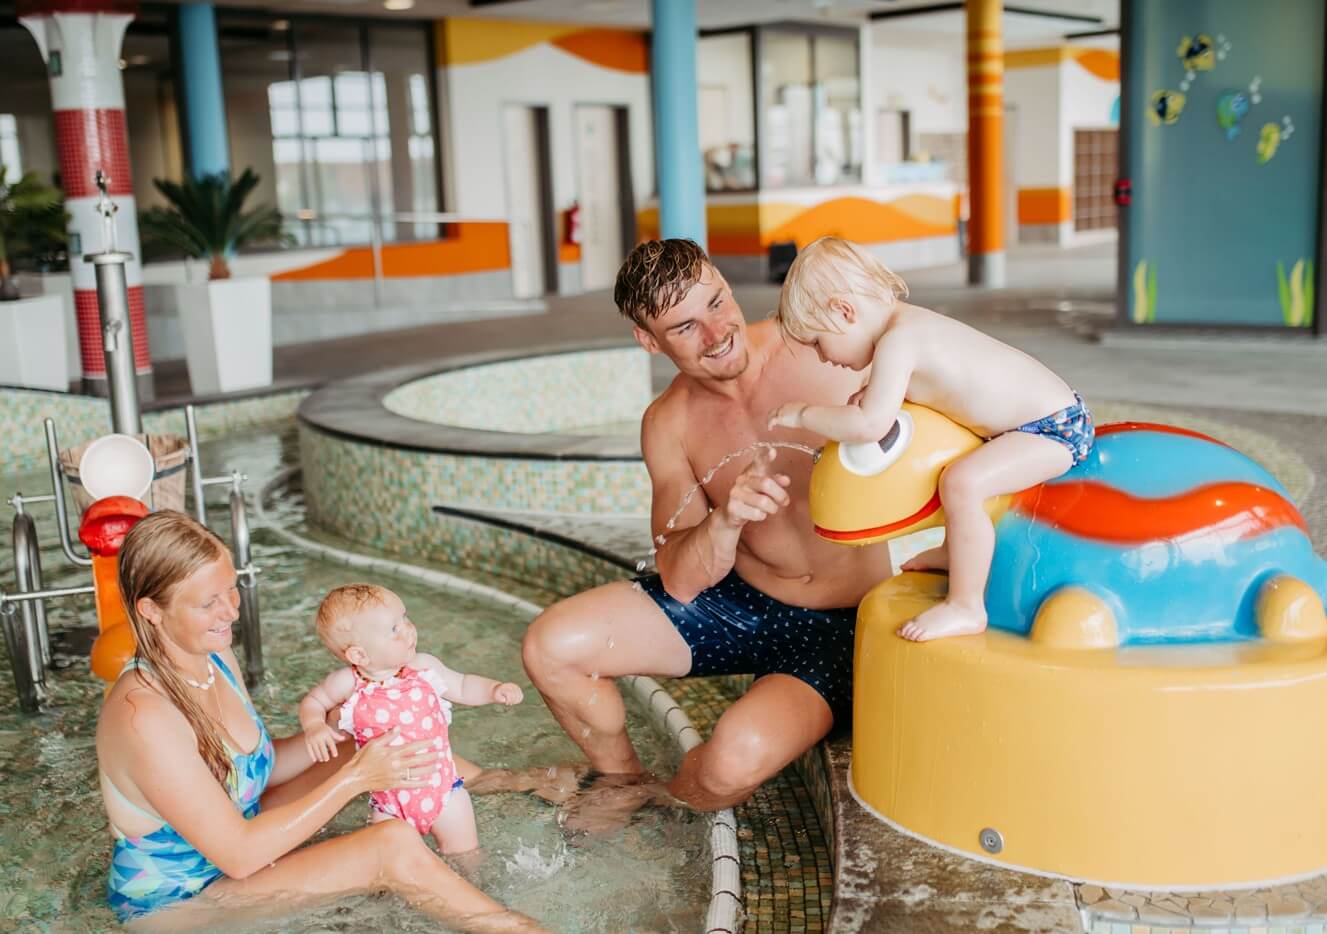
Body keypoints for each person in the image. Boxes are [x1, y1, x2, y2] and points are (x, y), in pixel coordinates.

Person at [520, 239, 894, 829]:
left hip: (844, 622)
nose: (718, 332)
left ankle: (668, 800)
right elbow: (680, 576)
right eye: (685, 326)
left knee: (727, 767)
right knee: (551, 646)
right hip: (740, 604)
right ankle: (621, 781)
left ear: (723, 278)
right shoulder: (669, 422)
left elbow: (944, 384)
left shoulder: (821, 348)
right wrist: (726, 519)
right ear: (650, 341)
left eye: (717, 302)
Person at [96, 511, 542, 931]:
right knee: (390, 845)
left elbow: (257, 769)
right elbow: (239, 854)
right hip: (182, 901)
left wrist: (344, 729)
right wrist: (353, 780)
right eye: (208, 602)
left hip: (235, 841)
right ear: (151, 609)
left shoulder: (213, 654)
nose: (231, 611)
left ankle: (501, 782)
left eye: (231, 590)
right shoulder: (143, 715)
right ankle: (518, 928)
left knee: (369, 742)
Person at [768, 236, 1094, 642]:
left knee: (962, 482)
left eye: (817, 342)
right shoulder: (905, 328)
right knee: (956, 474)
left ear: (844, 312)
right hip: (1030, 425)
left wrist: (804, 413)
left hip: (1053, 428)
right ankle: (955, 552)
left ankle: (966, 606)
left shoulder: (900, 341)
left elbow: (869, 425)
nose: (821, 357)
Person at [298, 583, 524, 854]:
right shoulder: (347, 683)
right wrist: (314, 725)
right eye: (394, 629)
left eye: (404, 617)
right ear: (359, 655)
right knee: (389, 862)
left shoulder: (423, 666)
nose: (408, 629)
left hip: (444, 793)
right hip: (390, 804)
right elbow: (314, 702)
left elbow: (462, 686)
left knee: (466, 854)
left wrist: (494, 690)